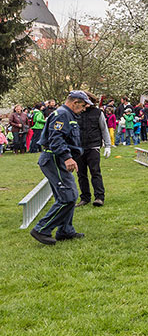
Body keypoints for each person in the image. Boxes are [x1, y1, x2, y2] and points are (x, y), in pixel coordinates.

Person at [30, 91, 92, 246]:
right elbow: (56, 138)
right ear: (75, 102)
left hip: (57, 159)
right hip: (54, 159)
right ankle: (41, 229)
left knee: (68, 195)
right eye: (83, 105)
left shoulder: (68, 115)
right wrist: (67, 157)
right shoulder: (62, 114)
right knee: (68, 197)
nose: (84, 109)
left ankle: (65, 230)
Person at [74, 93, 111, 208]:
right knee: (81, 174)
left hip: (93, 146)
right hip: (79, 147)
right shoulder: (75, 113)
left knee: (95, 172)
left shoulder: (98, 113)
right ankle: (85, 198)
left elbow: (104, 129)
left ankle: (99, 197)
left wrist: (108, 145)